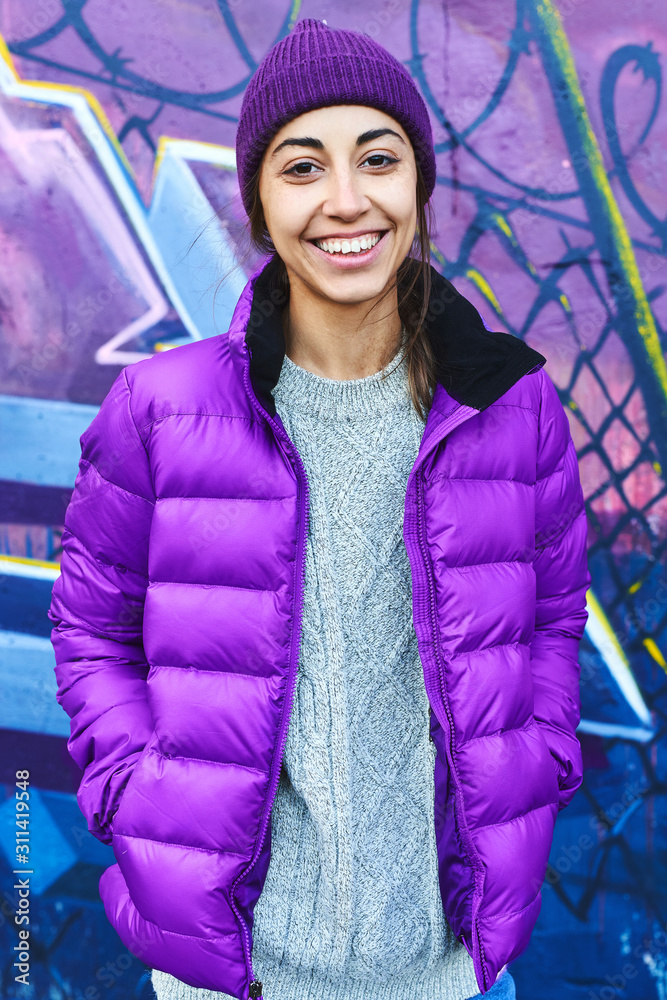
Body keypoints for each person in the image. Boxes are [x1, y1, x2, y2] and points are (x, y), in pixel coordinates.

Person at [48, 17, 591, 1000]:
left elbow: (553, 616)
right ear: (258, 201)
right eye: (302, 167)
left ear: (417, 187)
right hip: (227, 970)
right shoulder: (160, 411)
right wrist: (136, 788)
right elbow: (91, 627)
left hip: (448, 966)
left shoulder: (510, 408)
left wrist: (539, 756)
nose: (347, 200)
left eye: (377, 159)